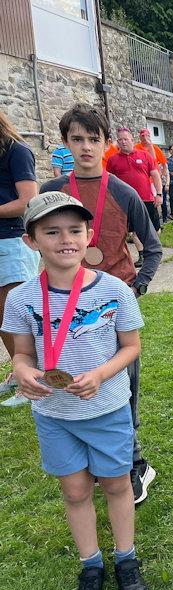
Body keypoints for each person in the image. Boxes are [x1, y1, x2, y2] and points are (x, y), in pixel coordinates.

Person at [2, 191, 148, 590]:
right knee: (76, 491)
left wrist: (101, 374)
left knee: (117, 486)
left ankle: (126, 558)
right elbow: (24, 353)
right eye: (51, 231)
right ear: (31, 240)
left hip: (106, 409)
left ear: (88, 236)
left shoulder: (114, 290)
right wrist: (22, 369)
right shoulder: (21, 298)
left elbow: (131, 347)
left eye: (74, 230)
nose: (65, 239)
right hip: (54, 414)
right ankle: (91, 564)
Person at [41, 103, 163, 505]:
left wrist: (135, 288)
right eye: (78, 139)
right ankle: (94, 459)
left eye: (94, 139)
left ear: (107, 144)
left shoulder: (124, 193)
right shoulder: (51, 193)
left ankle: (134, 465)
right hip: (63, 307)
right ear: (65, 143)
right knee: (78, 381)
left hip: (113, 307)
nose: (86, 147)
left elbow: (154, 249)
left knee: (124, 385)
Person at [0, 110, 41, 406]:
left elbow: (28, 200)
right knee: (2, 319)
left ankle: (33, 381)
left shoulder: (17, 150)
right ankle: (19, 373)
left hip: (12, 242)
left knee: (17, 317)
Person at [106, 128, 162, 236]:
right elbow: (109, 180)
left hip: (146, 198)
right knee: (134, 231)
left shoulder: (145, 155)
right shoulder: (113, 160)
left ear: (132, 140)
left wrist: (159, 194)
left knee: (155, 229)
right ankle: (142, 253)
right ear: (117, 142)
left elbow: (155, 175)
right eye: (120, 140)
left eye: (126, 139)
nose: (123, 142)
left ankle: (153, 249)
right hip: (126, 201)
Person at [135, 128, 169, 205]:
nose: (144, 137)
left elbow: (162, 162)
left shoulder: (155, 148)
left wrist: (164, 173)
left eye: (146, 135)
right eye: (142, 135)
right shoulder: (136, 147)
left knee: (156, 199)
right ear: (140, 137)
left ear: (149, 136)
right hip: (142, 178)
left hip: (153, 179)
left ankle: (158, 215)